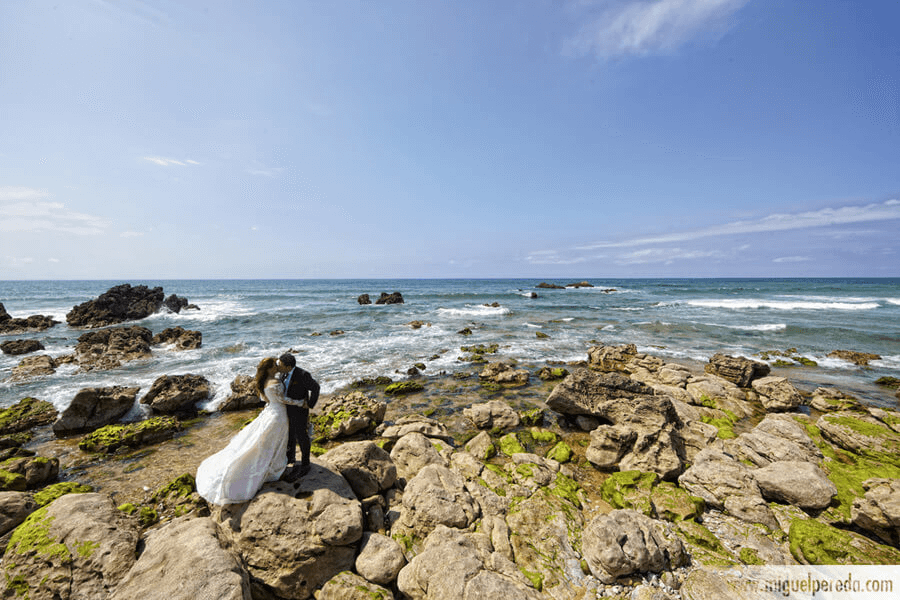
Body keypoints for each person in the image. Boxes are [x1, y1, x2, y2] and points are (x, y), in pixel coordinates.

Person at [196, 357, 293, 505]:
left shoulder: (263, 381)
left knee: (265, 442)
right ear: (268, 369)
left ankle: (271, 466)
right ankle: (271, 467)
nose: (277, 367)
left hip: (271, 412)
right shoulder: (274, 382)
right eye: (274, 365)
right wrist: (301, 402)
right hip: (278, 414)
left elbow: (267, 400)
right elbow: (284, 400)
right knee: (275, 441)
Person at [277, 352, 320, 480]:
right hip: (286, 410)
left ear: (288, 366)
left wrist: (310, 404)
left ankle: (306, 463)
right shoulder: (282, 373)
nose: (278, 366)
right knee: (289, 434)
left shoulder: (303, 375)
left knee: (301, 436)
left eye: (280, 364)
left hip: (299, 410)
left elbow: (316, 387)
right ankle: (291, 458)